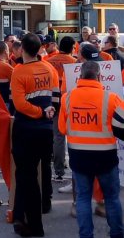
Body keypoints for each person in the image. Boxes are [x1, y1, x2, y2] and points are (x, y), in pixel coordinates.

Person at [59, 60, 124, 238]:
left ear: (80, 77)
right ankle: (117, 234)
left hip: (79, 158)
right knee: (111, 198)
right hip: (106, 158)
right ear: (100, 77)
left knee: (83, 198)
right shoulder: (111, 98)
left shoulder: (67, 98)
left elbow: (62, 129)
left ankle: (86, 235)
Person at [11, 34, 59, 237]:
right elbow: (56, 95)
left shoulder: (19, 72)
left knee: (27, 176)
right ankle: (20, 217)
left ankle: (34, 226)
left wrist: (39, 113)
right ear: (40, 49)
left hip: (26, 130)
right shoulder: (50, 69)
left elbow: (19, 105)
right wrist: (49, 112)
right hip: (46, 129)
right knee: (36, 172)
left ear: (22, 49)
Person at [44, 36, 76, 182]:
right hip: (70, 101)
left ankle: (58, 170)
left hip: (54, 101)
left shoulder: (48, 62)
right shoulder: (74, 63)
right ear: (72, 48)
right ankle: (73, 168)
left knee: (58, 136)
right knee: (74, 136)